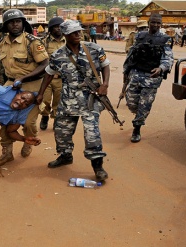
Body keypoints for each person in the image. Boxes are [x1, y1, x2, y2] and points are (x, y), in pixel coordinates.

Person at [36, 20, 111, 182]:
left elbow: (105, 65)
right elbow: (48, 74)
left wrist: (104, 84)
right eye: (73, 33)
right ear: (65, 35)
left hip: (90, 99)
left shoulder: (94, 49)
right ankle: (65, 156)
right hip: (68, 100)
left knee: (92, 135)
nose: (78, 35)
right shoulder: (57, 55)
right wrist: (41, 93)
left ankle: (98, 166)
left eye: (79, 31)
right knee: (61, 131)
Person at [0, 9, 49, 167]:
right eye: (11, 22)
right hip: (11, 85)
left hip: (31, 85)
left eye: (18, 21)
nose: (15, 24)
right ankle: (7, 152)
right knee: (4, 118)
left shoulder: (32, 41)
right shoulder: (3, 42)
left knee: (29, 122)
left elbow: (45, 64)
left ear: (23, 23)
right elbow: (1, 67)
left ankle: (28, 141)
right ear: (6, 26)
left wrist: (24, 78)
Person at [123, 14, 173, 142]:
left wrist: (161, 68)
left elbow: (168, 58)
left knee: (144, 105)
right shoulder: (140, 36)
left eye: (158, 23)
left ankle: (137, 128)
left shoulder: (165, 39)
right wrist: (126, 70)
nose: (156, 25)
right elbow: (132, 54)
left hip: (152, 77)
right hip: (136, 74)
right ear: (149, 23)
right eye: (153, 22)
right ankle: (138, 115)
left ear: (160, 24)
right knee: (131, 103)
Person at [39, 17, 66, 131]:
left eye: (60, 27)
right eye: (55, 27)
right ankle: (45, 117)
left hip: (62, 78)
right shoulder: (44, 42)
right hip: (47, 77)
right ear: (51, 29)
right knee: (45, 100)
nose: (58, 29)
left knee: (58, 101)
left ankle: (55, 119)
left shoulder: (68, 41)